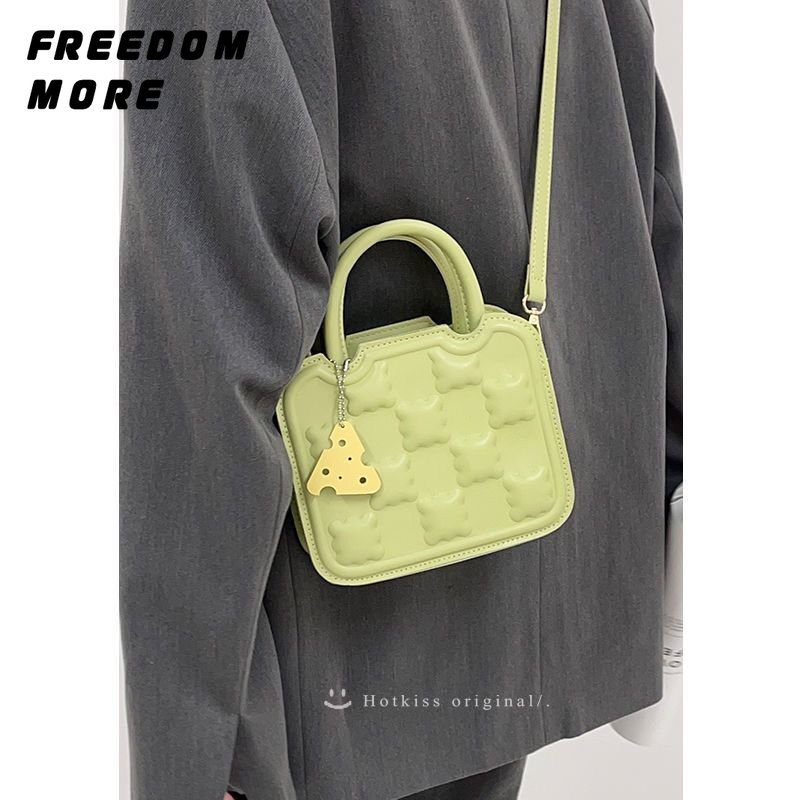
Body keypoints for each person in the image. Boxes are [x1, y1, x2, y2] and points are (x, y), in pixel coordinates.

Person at [120, 1, 682, 798]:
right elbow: (648, 184)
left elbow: (208, 333)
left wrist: (199, 748)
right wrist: (675, 496)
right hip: (529, 561)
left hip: (333, 656)